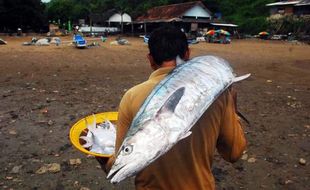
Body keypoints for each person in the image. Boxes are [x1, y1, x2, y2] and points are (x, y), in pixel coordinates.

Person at [97, 26, 247, 190]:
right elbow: (234, 153)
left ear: (150, 59)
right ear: (187, 54)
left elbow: (119, 161)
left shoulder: (131, 97)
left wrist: (102, 159)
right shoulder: (219, 94)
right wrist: (232, 106)